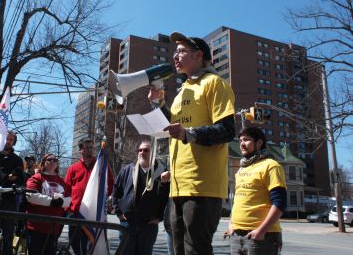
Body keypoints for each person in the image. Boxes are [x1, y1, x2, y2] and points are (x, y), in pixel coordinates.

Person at [149, 32, 236, 255]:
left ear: (198, 55)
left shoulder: (215, 83)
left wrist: (189, 134)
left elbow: (227, 130)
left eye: (181, 51)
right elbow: (174, 126)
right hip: (178, 185)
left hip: (202, 186)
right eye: (174, 52)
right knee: (178, 250)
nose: (175, 56)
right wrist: (159, 104)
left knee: (195, 250)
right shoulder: (181, 92)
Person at [227, 127, 287, 255]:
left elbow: (280, 202)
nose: (242, 144)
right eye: (240, 141)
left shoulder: (271, 166)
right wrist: (231, 224)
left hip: (263, 236)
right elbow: (237, 201)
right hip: (236, 234)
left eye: (246, 140)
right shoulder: (242, 169)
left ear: (259, 143)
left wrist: (261, 231)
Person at [112, 140, 169, 255]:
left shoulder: (162, 173)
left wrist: (160, 217)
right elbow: (115, 191)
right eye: (140, 150)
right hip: (127, 223)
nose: (142, 152)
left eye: (146, 150)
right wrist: (118, 212)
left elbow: (166, 198)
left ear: (152, 153)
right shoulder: (127, 170)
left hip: (149, 226)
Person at [64, 138, 114, 255]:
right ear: (80, 150)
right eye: (86, 148)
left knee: (92, 246)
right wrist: (68, 210)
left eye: (91, 147)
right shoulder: (73, 168)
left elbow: (110, 185)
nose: (89, 150)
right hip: (75, 213)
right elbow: (66, 190)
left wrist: (104, 201)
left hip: (94, 213)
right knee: (75, 244)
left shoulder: (100, 166)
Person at [25, 154, 71, 255]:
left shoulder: (61, 181)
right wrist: (51, 201)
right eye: (49, 160)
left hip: (53, 228)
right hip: (36, 227)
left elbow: (68, 199)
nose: (52, 161)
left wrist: (61, 202)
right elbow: (30, 196)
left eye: (55, 160)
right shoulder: (36, 178)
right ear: (43, 163)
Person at [0, 131, 24, 255]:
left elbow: (20, 178)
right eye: (5, 138)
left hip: (9, 199)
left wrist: (15, 179)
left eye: (10, 139)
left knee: (7, 234)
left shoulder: (17, 159)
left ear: (13, 142)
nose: (7, 141)